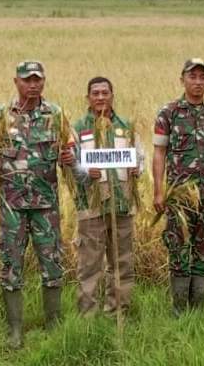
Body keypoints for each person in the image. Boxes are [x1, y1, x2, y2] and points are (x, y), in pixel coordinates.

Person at [0, 60, 74, 348]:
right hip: (11, 207)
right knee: (11, 266)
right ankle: (15, 332)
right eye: (27, 79)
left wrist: (69, 159)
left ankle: (54, 327)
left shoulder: (56, 114)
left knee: (52, 264)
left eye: (37, 79)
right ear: (16, 81)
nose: (32, 84)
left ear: (43, 81)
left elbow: (69, 152)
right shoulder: (0, 115)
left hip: (46, 206)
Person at [153, 58, 204, 316]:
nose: (197, 82)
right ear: (182, 79)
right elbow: (159, 152)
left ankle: (198, 307)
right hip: (179, 197)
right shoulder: (168, 112)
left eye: (202, 77)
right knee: (178, 247)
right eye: (192, 76)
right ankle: (178, 307)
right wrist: (159, 191)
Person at [70, 76, 138, 316]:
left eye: (105, 93)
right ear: (88, 98)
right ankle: (87, 317)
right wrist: (85, 173)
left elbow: (139, 157)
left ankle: (117, 313)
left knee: (122, 264)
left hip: (122, 206)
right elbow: (70, 166)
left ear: (112, 96)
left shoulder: (126, 126)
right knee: (89, 266)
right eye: (95, 93)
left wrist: (137, 168)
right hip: (91, 208)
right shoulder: (77, 129)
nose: (100, 97)